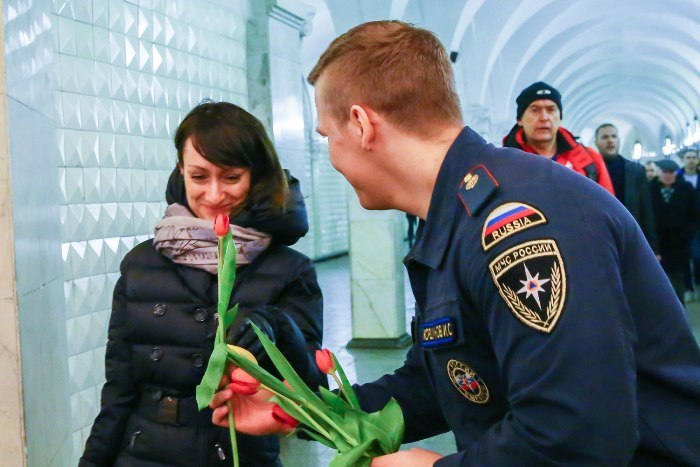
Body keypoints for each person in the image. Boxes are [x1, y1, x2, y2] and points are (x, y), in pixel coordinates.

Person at [210, 21, 700, 465]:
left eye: (328, 135)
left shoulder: (522, 221)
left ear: (361, 125)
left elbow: (578, 433)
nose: (331, 155)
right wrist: (302, 408)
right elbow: (445, 381)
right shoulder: (457, 215)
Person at [79, 101, 326, 467]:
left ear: (255, 175)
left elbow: (311, 392)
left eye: (230, 178)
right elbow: (119, 390)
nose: (213, 196)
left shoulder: (289, 270)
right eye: (198, 177)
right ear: (181, 171)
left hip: (237, 453)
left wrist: (276, 327)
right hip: (141, 453)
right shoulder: (142, 264)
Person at [503, 81, 615, 195]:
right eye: (535, 110)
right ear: (519, 120)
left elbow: (609, 208)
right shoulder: (504, 162)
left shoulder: (590, 160)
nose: (544, 117)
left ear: (560, 117)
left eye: (551, 109)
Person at [594, 123, 658, 253]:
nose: (610, 140)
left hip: (630, 235)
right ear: (596, 142)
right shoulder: (591, 170)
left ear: (619, 140)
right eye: (605, 137)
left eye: (613, 136)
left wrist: (653, 246)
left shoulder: (636, 171)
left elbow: (646, 209)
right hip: (601, 236)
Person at [650, 158, 700, 303]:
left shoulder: (686, 189)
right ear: (659, 173)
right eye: (665, 172)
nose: (667, 175)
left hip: (679, 242)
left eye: (671, 172)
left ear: (676, 174)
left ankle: (679, 308)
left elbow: (695, 214)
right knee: (659, 278)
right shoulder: (651, 189)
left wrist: (687, 233)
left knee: (678, 277)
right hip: (658, 242)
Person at [677, 147, 700, 301]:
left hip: (698, 224)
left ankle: (698, 284)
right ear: (683, 160)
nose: (691, 160)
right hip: (682, 224)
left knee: (697, 256)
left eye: (693, 157)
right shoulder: (677, 177)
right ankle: (688, 287)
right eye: (688, 157)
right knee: (684, 257)